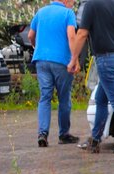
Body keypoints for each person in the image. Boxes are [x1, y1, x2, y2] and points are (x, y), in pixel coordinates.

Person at [69, 0, 114, 155]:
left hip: (106, 60)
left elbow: (81, 33)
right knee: (101, 99)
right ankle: (95, 140)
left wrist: (74, 59)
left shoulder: (91, 5)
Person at [28, 0, 79, 147]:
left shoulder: (41, 12)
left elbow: (31, 35)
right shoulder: (68, 14)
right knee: (64, 98)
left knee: (45, 97)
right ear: (65, 1)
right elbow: (71, 36)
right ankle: (64, 134)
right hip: (61, 61)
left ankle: (42, 133)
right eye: (72, 2)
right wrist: (74, 59)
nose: (73, 4)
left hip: (41, 60)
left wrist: (36, 46)